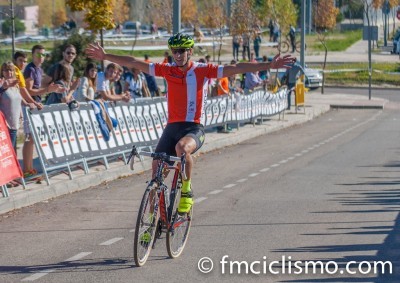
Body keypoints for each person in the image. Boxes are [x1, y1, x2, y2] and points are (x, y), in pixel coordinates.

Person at [86, 32, 294, 216]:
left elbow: (235, 68)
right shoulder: (167, 70)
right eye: (174, 51)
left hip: (193, 128)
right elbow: (134, 62)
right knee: (156, 177)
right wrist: (106, 56)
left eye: (182, 51)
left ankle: (186, 190)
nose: (177, 55)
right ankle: (150, 222)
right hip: (171, 128)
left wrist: (269, 65)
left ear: (190, 51)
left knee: (182, 148)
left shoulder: (202, 70)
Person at [23, 45, 65, 178]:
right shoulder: (30, 69)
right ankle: (26, 169)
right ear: (32, 54)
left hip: (36, 105)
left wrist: (52, 89)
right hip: (30, 105)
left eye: (43, 54)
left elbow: (38, 88)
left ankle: (29, 169)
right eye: (39, 54)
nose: (42, 57)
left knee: (32, 138)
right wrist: (48, 90)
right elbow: (28, 90)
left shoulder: (39, 69)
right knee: (29, 138)